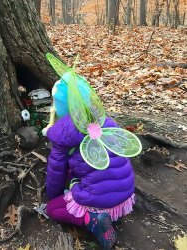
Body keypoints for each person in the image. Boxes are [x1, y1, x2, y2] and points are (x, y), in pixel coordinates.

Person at [43, 54, 142, 250]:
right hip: (126, 195)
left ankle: (92, 218)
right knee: (81, 176)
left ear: (60, 107)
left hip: (98, 198)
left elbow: (56, 171)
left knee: (52, 209)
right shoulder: (106, 121)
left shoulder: (63, 133)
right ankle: (107, 214)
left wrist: (52, 196)